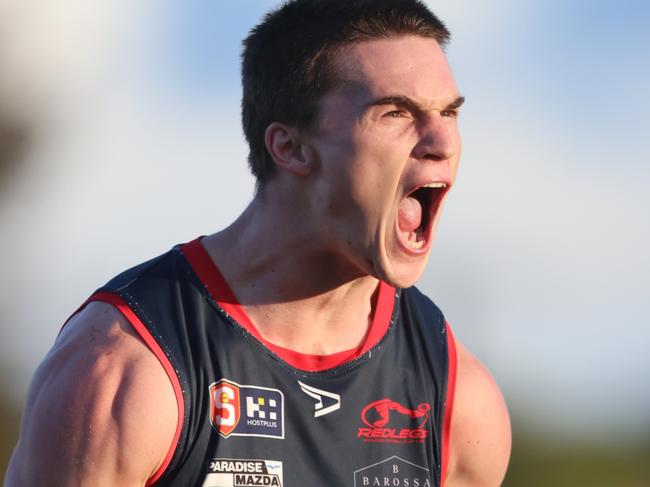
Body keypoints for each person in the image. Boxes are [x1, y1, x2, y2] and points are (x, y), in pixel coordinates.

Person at [6, 0, 511, 485]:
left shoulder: (458, 402)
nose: (442, 142)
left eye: (449, 113)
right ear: (290, 147)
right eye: (396, 113)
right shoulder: (125, 374)